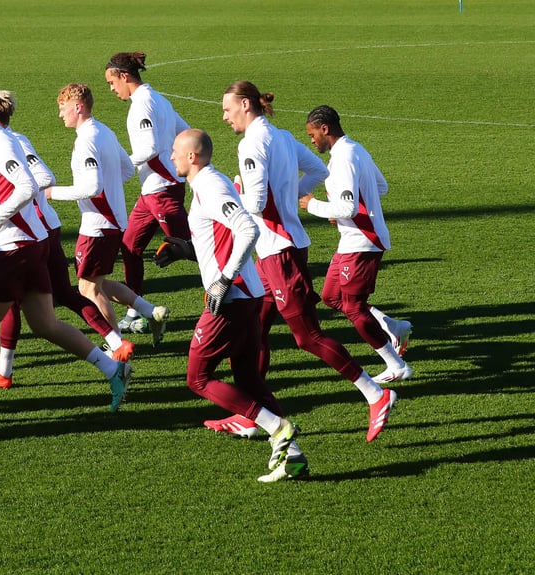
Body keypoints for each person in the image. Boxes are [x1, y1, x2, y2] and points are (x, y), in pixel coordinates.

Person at [0, 91, 132, 424]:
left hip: (15, 247)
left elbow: (27, 185)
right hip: (32, 242)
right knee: (45, 324)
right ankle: (114, 369)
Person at [221, 81, 396, 442]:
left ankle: (376, 394)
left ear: (244, 105)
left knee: (308, 337)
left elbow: (253, 202)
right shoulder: (282, 136)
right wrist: (288, 196)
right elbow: (319, 172)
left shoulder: (252, 144)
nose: (224, 117)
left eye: (227, 109)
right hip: (279, 250)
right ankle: (256, 414)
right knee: (256, 329)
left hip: (280, 252)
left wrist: (230, 195)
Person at [158, 128, 307, 482]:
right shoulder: (206, 186)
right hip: (246, 294)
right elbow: (219, 238)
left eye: (176, 151)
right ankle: (293, 458)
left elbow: (246, 229)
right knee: (248, 379)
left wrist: (223, 279)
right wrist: (185, 250)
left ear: (192, 156)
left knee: (198, 378)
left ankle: (277, 427)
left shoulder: (210, 186)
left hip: (233, 296)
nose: (172, 156)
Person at [45, 83, 170, 347]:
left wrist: (51, 193)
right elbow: (126, 171)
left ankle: (116, 344)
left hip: (98, 225)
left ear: (78, 107)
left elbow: (92, 187)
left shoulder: (86, 140)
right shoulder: (104, 131)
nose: (60, 115)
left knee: (87, 289)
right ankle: (151, 312)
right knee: (97, 283)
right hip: (113, 222)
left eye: (63, 108)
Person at [300, 105, 413, 381]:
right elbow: (380, 187)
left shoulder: (343, 159)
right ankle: (393, 326)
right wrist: (342, 212)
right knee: (331, 296)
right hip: (352, 239)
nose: (311, 140)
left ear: (324, 129)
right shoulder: (356, 149)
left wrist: (314, 204)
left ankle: (396, 365)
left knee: (353, 307)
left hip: (363, 241)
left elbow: (348, 207)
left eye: (312, 134)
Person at [104, 52, 192, 334]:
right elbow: (186, 132)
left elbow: (150, 148)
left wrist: (116, 164)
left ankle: (243, 292)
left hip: (162, 191)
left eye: (111, 82)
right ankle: (135, 311)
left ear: (124, 76)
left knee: (195, 249)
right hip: (153, 191)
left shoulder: (142, 105)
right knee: (130, 246)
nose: (111, 89)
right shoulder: (159, 100)